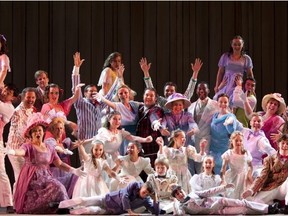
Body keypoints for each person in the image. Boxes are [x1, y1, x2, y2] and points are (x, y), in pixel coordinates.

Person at [0, 112, 86, 214]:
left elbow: (59, 164)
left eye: (39, 130)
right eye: (35, 131)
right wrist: (12, 151)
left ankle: (60, 207)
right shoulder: (28, 146)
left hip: (46, 176)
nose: (37, 133)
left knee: (59, 187)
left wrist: (74, 170)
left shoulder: (49, 147)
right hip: (32, 178)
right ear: (31, 134)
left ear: (43, 132)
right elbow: (21, 152)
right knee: (33, 204)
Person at [71, 52, 123, 153]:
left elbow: (110, 94)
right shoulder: (81, 103)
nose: (93, 92)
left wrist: (118, 78)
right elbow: (75, 89)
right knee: (87, 167)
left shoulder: (99, 104)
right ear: (85, 93)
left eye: (95, 91)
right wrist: (76, 69)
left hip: (98, 144)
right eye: (90, 91)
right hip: (85, 143)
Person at [242, 134, 288, 213]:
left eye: (287, 143)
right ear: (278, 144)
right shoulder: (269, 159)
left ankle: (287, 207)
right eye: (283, 143)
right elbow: (262, 176)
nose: (285, 145)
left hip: (284, 188)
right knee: (254, 206)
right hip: (270, 187)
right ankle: (272, 206)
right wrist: (252, 190)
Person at [58, 181, 161, 215]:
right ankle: (61, 204)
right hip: (107, 199)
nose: (145, 195)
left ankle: (74, 212)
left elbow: (156, 212)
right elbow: (124, 196)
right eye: (144, 192)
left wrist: (155, 199)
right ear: (142, 186)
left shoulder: (146, 200)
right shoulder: (134, 185)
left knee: (94, 210)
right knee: (85, 200)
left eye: (147, 194)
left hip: (112, 210)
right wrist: (130, 211)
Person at [94, 84, 141, 155]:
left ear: (129, 93)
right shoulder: (117, 105)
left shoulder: (134, 104)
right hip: (123, 136)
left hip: (135, 135)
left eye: (125, 92)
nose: (123, 95)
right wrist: (102, 98)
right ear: (118, 95)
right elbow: (108, 103)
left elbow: (147, 104)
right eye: (121, 93)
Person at [172, 184, 279, 215]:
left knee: (242, 205)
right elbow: (180, 213)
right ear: (176, 198)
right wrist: (175, 206)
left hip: (216, 202)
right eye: (177, 194)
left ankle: (268, 209)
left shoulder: (193, 193)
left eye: (180, 191)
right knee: (242, 209)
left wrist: (224, 187)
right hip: (214, 210)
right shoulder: (183, 207)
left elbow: (209, 192)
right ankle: (267, 209)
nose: (180, 194)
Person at [6, 87, 37, 192]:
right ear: (23, 97)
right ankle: (16, 203)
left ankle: (22, 202)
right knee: (20, 176)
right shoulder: (17, 112)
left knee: (26, 177)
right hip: (15, 148)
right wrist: (33, 141)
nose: (31, 99)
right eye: (28, 97)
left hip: (25, 150)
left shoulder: (31, 110)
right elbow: (20, 132)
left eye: (33, 97)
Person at [188, 82, 219, 173]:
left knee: (205, 166)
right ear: (196, 91)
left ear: (208, 90)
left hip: (206, 140)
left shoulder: (215, 104)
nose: (201, 90)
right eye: (199, 89)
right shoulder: (191, 106)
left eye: (204, 89)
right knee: (194, 166)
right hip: (193, 140)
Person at [45, 116, 79, 198]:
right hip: (55, 171)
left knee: (77, 176)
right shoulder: (50, 141)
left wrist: (92, 139)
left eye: (61, 128)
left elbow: (75, 144)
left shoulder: (63, 143)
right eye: (57, 129)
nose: (60, 131)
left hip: (64, 170)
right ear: (52, 130)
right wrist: (63, 151)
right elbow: (55, 148)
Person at [210, 93, 243, 174]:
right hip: (213, 147)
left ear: (228, 103)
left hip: (223, 148)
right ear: (217, 103)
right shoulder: (215, 115)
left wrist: (228, 122)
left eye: (225, 102)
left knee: (223, 169)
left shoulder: (230, 116)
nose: (223, 104)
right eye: (221, 102)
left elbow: (233, 128)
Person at [213, 35, 254, 102]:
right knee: (222, 102)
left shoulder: (246, 58)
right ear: (231, 44)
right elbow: (220, 73)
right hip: (225, 84)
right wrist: (217, 86)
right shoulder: (225, 56)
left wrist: (251, 87)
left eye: (239, 44)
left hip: (237, 84)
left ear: (242, 45)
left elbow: (250, 75)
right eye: (235, 44)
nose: (237, 46)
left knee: (235, 103)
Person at [0, 83, 19, 213]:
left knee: (1, 172)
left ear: (13, 98)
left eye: (9, 92)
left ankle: (8, 203)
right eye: (5, 89)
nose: (5, 92)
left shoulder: (9, 107)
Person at [242, 113, 277, 178]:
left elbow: (271, 151)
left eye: (259, 121)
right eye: (254, 121)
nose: (256, 123)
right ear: (250, 123)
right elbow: (236, 125)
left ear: (262, 124)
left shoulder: (261, 140)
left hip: (254, 168)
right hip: (242, 166)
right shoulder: (245, 131)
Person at [135, 87, 164, 167]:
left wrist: (155, 123)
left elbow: (154, 117)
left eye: (151, 96)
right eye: (147, 95)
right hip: (139, 149)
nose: (148, 97)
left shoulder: (157, 110)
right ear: (143, 96)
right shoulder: (140, 109)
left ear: (155, 99)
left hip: (152, 149)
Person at [220, 131, 253, 199]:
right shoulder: (228, 153)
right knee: (232, 195)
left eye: (240, 141)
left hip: (244, 177)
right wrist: (223, 180)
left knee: (244, 196)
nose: (238, 143)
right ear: (232, 141)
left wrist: (249, 173)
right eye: (236, 141)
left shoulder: (246, 153)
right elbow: (223, 169)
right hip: (233, 177)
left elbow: (250, 165)